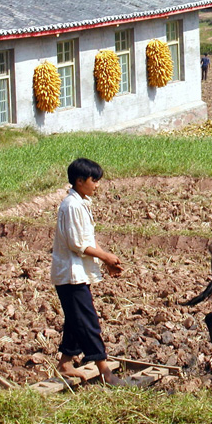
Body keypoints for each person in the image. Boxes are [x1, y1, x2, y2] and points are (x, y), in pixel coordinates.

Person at [51, 158, 127, 386]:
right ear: (80, 181)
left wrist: (106, 260)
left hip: (76, 273)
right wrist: (105, 256)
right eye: (94, 181)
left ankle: (65, 364)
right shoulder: (72, 206)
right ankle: (105, 371)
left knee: (76, 320)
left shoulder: (80, 203)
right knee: (88, 320)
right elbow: (77, 244)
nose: (97, 185)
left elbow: (86, 241)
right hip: (70, 275)